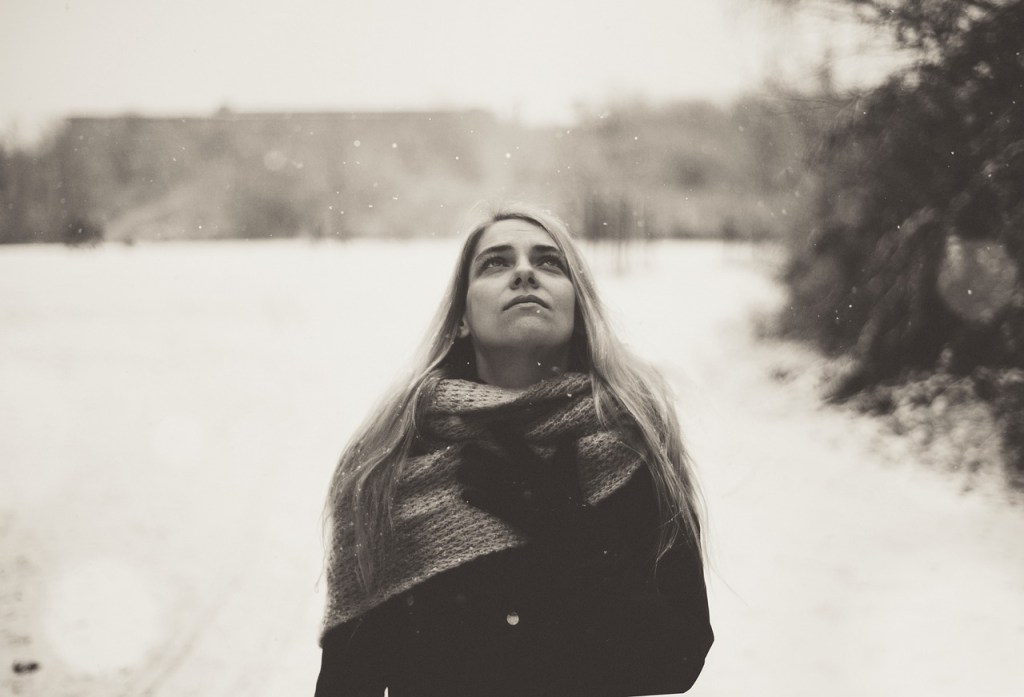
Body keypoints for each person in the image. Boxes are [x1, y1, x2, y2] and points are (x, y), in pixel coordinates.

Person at [315, 203, 713, 697]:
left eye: (549, 262)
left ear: (578, 306)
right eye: (495, 263)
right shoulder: (391, 460)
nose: (525, 272)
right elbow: (349, 680)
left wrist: (570, 535)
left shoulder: (634, 443)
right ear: (461, 317)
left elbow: (671, 662)